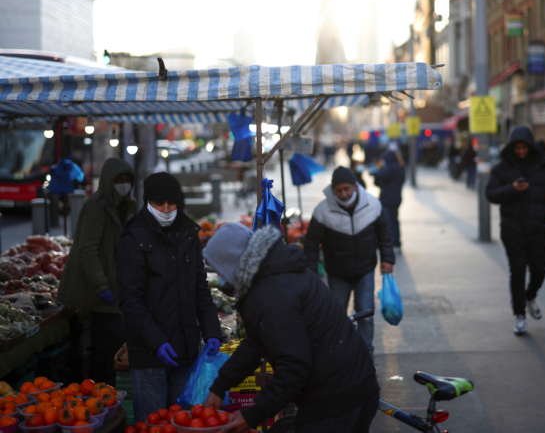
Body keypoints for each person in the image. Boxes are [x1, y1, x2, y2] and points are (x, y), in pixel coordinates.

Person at [203, 224, 380, 433]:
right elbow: (257, 342)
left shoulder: (271, 294)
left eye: (219, 270)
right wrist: (220, 386)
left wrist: (251, 415)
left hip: (338, 399)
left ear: (231, 264)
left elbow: (294, 367)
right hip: (350, 386)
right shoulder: (276, 272)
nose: (221, 278)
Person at [117, 172, 222, 421]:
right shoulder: (133, 237)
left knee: (183, 420)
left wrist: (212, 332)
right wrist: (157, 341)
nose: (165, 209)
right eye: (158, 203)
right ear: (147, 202)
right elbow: (130, 299)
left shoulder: (188, 233)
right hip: (149, 352)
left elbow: (200, 288)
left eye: (171, 203)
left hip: (186, 347)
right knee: (154, 422)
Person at [58, 157, 136, 385]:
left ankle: (108, 387)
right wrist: (102, 285)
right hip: (97, 287)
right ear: (108, 181)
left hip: (115, 284)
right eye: (118, 180)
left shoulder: (126, 205)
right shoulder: (96, 207)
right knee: (106, 344)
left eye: (127, 180)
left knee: (111, 341)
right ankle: (101, 388)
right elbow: (88, 249)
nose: (124, 184)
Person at [304, 166, 395, 353]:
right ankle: (339, 354)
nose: (344, 194)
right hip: (337, 274)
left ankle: (365, 354)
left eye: (347, 189)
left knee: (366, 315)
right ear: (333, 190)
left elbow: (385, 235)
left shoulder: (373, 205)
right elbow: (311, 245)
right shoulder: (322, 212)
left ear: (355, 186)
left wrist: (388, 259)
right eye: (339, 190)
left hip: (365, 270)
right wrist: (311, 272)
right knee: (336, 316)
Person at [485, 126, 545, 335]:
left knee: (540, 268)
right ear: (511, 148)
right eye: (517, 148)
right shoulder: (501, 169)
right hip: (512, 228)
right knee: (517, 271)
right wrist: (512, 189)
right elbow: (490, 194)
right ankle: (519, 315)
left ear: (530, 146)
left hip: (538, 227)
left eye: (524, 148)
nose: (521, 152)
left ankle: (530, 295)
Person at [373, 147, 406, 250]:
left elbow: (378, 178)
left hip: (387, 199)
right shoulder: (400, 168)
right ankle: (397, 242)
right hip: (396, 198)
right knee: (394, 220)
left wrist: (378, 169)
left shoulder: (389, 168)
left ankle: (390, 243)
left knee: (387, 222)